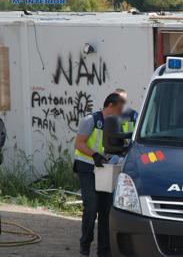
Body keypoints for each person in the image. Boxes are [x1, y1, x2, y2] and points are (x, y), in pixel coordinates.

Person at [74, 93, 126, 257]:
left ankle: (104, 251)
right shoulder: (90, 120)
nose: (120, 113)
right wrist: (94, 155)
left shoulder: (118, 123)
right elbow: (79, 143)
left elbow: (119, 145)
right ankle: (85, 242)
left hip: (105, 171)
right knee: (91, 207)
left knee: (106, 210)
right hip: (88, 168)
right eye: (118, 109)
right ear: (110, 106)